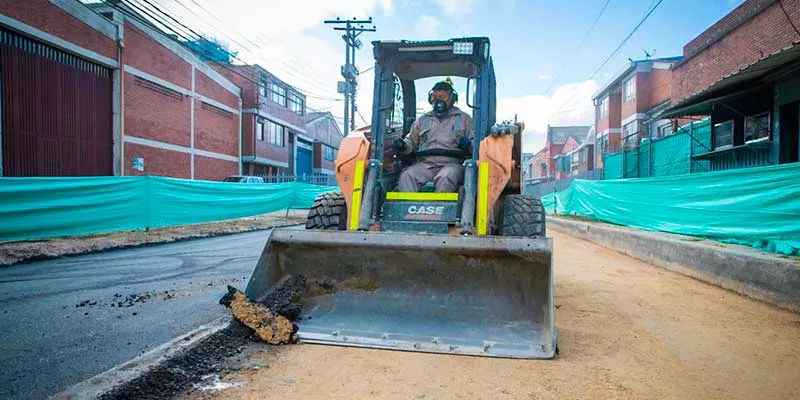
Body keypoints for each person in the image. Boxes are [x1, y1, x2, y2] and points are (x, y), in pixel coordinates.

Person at [394, 79, 474, 192]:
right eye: (435, 98)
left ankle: (442, 209)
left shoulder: (464, 119)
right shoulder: (422, 120)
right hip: (425, 165)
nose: (438, 102)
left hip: (452, 165)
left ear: (452, 99)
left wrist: (468, 145)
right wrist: (403, 146)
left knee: (445, 177)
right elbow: (411, 142)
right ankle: (407, 209)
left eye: (442, 98)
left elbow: (476, 146)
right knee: (407, 176)